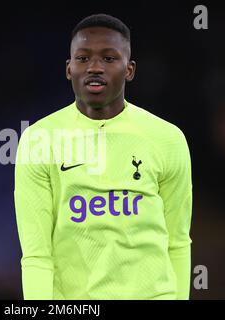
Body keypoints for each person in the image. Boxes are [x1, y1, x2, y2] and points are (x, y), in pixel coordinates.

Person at [14, 13, 193, 300]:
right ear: (69, 68)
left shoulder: (168, 139)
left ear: (129, 69)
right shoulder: (38, 140)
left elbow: (178, 242)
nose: (95, 67)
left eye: (109, 58)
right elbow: (36, 255)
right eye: (83, 58)